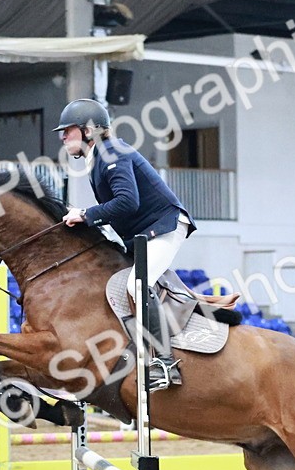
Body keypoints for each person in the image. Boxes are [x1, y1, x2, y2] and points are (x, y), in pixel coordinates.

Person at [55, 98, 196, 392]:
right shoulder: (99, 157)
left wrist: (86, 214)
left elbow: (127, 201)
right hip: (143, 235)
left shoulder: (110, 152)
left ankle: (166, 363)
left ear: (88, 131)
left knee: (136, 285)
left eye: (68, 131)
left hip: (164, 227)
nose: (63, 137)